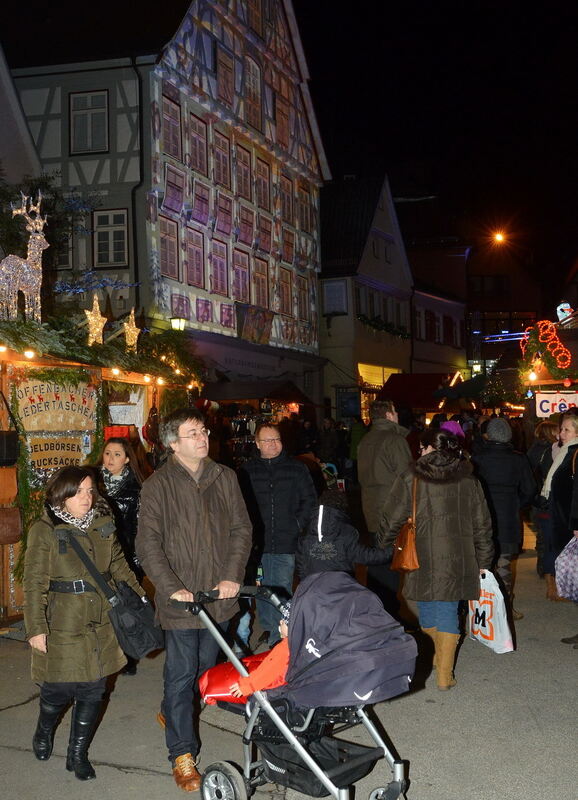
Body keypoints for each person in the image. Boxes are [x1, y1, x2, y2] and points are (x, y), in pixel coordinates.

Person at [136, 408, 252, 792]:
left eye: (203, 431)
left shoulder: (225, 476)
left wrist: (232, 576)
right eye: (192, 433)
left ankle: (173, 711)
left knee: (206, 670)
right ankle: (182, 754)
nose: (202, 438)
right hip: (181, 601)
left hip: (218, 597)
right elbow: (147, 544)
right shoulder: (158, 486)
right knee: (182, 674)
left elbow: (241, 528)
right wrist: (170, 586)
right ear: (173, 443)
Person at [23, 466, 145, 780]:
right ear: (61, 495)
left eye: (90, 490)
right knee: (57, 689)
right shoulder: (45, 529)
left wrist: (142, 599)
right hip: (62, 619)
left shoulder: (103, 524)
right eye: (78, 492)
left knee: (94, 688)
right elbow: (34, 581)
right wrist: (36, 628)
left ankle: (77, 755)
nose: (86, 498)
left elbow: (120, 566)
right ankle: (44, 730)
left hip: (102, 617)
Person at [378, 429, 494, 690]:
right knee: (448, 607)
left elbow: (392, 516)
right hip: (460, 556)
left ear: (428, 448)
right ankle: (444, 673)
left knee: (428, 603)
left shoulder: (411, 478)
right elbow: (482, 524)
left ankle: (435, 662)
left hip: (421, 554)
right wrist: (485, 559)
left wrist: (381, 545)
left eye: (421, 448)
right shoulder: (469, 480)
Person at [238, 423, 317, 647]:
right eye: (267, 441)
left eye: (277, 439)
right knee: (261, 590)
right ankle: (270, 628)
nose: (273, 445)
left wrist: (296, 525)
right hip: (256, 545)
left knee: (281, 588)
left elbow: (309, 501)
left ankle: (280, 637)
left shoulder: (296, 468)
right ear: (257, 443)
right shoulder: (247, 471)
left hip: (286, 541)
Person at [472, 417, 536, 618]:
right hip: (508, 516)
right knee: (504, 565)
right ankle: (505, 609)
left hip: (483, 517)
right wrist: (517, 502)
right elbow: (530, 489)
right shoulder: (518, 459)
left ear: (488, 435)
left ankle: (483, 609)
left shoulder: (478, 458)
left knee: (483, 564)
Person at [94, 436, 146, 674]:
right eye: (107, 453)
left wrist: (137, 559)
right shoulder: (91, 484)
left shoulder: (137, 488)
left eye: (116, 454)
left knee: (124, 607)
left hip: (126, 555)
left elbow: (141, 527)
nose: (110, 459)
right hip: (96, 553)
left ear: (126, 459)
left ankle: (127, 655)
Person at [357, 399, 413, 617]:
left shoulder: (366, 439)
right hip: (391, 510)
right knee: (390, 564)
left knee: (378, 563)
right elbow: (407, 477)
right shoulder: (394, 440)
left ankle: (377, 612)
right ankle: (388, 614)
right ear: (389, 415)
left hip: (371, 508)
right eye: (395, 411)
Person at [296, 488, 393, 579]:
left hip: (313, 588)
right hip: (340, 587)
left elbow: (301, 565)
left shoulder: (305, 533)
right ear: (343, 509)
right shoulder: (346, 533)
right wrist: (395, 549)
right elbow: (368, 556)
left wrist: (305, 584)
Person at [538, 413, 578, 604]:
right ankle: (555, 588)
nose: (561, 434)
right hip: (558, 515)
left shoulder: (572, 453)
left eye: (566, 430)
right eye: (560, 429)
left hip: (566, 518)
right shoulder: (564, 451)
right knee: (553, 549)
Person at [229, 605, 291, 698]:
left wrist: (246, 685)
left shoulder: (285, 648)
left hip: (280, 689)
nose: (280, 622)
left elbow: (269, 671)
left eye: (284, 622)